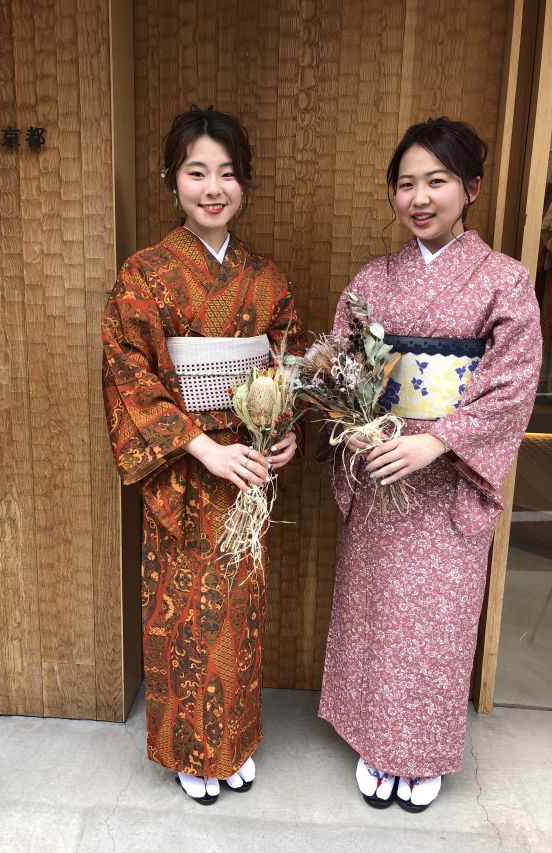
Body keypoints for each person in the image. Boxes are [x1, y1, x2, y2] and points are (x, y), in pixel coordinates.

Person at [318, 117, 542, 812]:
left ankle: (419, 751)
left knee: (435, 625)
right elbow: (340, 363)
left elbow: (512, 385)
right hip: (382, 469)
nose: (419, 198)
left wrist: (438, 441)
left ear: (470, 188)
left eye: (436, 182)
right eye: (406, 183)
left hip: (448, 478)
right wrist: (354, 424)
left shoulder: (504, 281)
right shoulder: (373, 279)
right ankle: (374, 740)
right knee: (376, 613)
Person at [102, 107, 304, 805]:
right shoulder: (145, 273)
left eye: (227, 173)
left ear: (244, 182)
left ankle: (234, 741)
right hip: (186, 468)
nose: (213, 188)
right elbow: (129, 373)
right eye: (196, 172)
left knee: (240, 609)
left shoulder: (266, 277)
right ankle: (194, 750)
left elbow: (286, 361)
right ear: (172, 180)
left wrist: (284, 428)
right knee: (185, 611)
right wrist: (201, 448)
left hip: (248, 465)